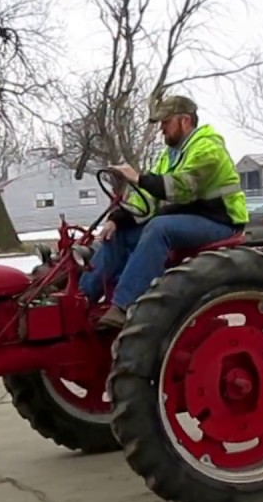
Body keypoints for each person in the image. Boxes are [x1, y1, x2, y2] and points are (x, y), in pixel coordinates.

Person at [79, 94, 249, 329]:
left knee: (159, 229)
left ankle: (123, 306)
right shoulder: (169, 155)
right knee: (117, 234)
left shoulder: (208, 149)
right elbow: (147, 196)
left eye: (165, 122)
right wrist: (118, 218)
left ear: (185, 121)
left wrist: (139, 177)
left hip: (219, 221)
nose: (161, 129)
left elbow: (182, 188)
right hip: (188, 219)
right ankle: (80, 300)